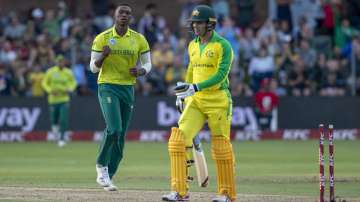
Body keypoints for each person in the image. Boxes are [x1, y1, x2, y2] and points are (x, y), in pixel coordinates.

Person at [162, 5, 236, 202]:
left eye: (199, 22)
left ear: (210, 24)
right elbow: (191, 70)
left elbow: (221, 76)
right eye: (193, 23)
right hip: (196, 100)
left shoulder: (223, 46)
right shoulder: (193, 45)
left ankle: (226, 194)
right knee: (177, 140)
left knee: (220, 146)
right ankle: (180, 192)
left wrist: (195, 87)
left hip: (218, 100)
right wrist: (184, 94)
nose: (195, 26)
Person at [89, 4, 152, 191]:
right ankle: (101, 166)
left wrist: (140, 71)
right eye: (121, 13)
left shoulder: (139, 39)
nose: (124, 16)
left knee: (121, 136)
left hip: (128, 88)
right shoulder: (103, 38)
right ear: (114, 16)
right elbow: (93, 67)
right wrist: (103, 57)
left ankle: (109, 175)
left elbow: (148, 64)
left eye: (128, 14)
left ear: (131, 18)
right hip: (107, 85)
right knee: (114, 128)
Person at [41, 55, 77, 147]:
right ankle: (56, 135)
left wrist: (70, 89)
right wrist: (50, 91)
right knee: (54, 120)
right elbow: (44, 83)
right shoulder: (50, 72)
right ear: (56, 62)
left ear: (64, 62)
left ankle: (61, 138)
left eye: (62, 61)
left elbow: (74, 82)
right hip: (53, 100)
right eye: (59, 61)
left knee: (63, 119)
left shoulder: (68, 72)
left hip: (64, 99)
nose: (60, 63)